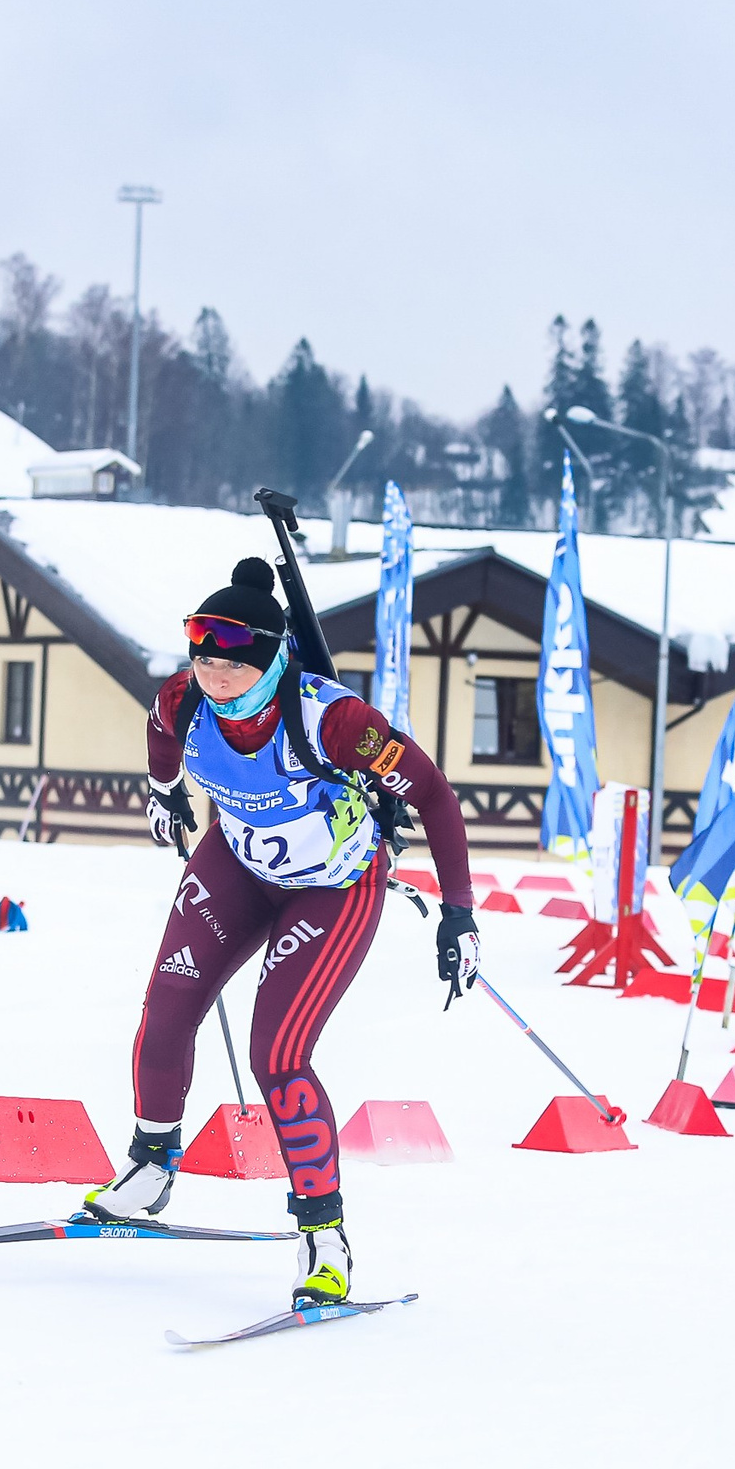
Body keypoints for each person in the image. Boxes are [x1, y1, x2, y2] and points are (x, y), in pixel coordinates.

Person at [82, 557, 483, 1308]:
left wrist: (459, 911)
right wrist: (164, 793)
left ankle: (323, 1236)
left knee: (279, 1055)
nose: (214, 671)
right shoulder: (185, 698)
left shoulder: (335, 721)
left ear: (269, 656)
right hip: (236, 864)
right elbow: (161, 734)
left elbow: (433, 794)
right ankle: (150, 1165)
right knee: (165, 1011)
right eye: (201, 652)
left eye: (231, 658)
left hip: (333, 889)